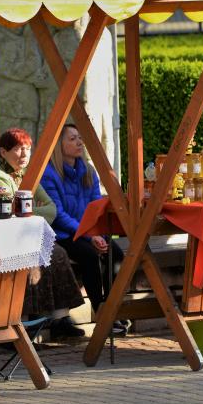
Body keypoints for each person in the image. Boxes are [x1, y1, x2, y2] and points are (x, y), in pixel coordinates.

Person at [0, 128, 85, 338]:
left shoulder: (28, 175)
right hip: (8, 241)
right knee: (30, 262)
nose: (24, 154)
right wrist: (30, 210)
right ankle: (24, 325)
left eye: (27, 148)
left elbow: (51, 209)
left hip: (28, 236)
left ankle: (61, 318)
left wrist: (26, 209)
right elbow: (11, 214)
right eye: (17, 149)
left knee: (58, 253)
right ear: (3, 152)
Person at [40, 124, 128, 335]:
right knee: (90, 256)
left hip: (90, 231)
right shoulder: (49, 174)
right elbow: (58, 215)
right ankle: (102, 316)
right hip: (63, 234)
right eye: (72, 138)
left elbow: (97, 206)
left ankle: (112, 309)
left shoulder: (88, 171)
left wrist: (99, 235)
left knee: (116, 254)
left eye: (80, 138)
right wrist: (90, 237)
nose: (79, 142)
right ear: (59, 144)